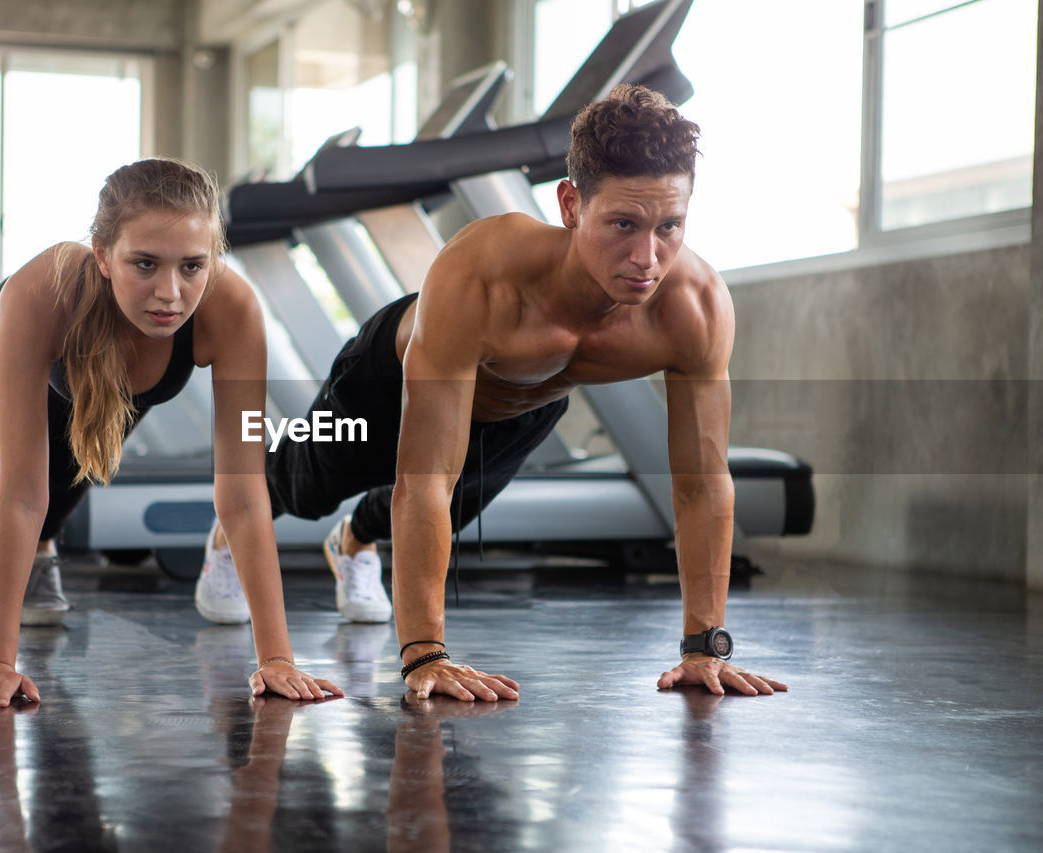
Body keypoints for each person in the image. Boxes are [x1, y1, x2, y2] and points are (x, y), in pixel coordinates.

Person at [196, 84, 788, 701]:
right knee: (307, 486)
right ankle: (228, 532)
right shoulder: (483, 274)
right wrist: (424, 656)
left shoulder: (696, 307)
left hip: (521, 406)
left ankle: (352, 542)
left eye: (670, 226)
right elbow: (421, 480)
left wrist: (704, 646)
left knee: (453, 511)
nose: (648, 256)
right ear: (570, 204)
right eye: (622, 224)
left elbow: (700, 482)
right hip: (387, 381)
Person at [0, 158, 343, 708]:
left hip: (118, 374)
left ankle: (41, 550)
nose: (171, 293)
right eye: (145, 264)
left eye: (193, 267)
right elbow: (20, 495)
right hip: (9, 338)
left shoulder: (233, 309)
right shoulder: (39, 298)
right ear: (103, 255)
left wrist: (276, 658)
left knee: (81, 466)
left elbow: (245, 494)